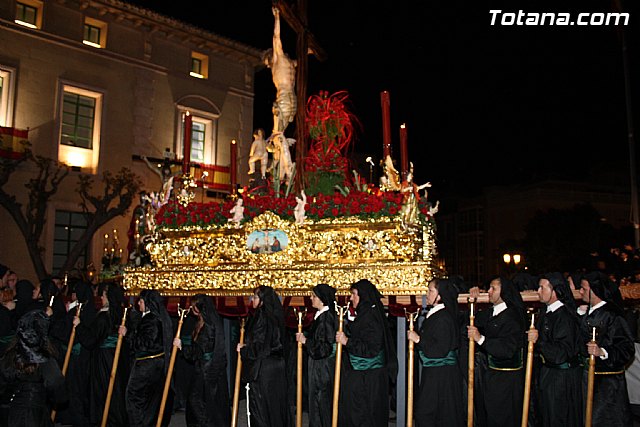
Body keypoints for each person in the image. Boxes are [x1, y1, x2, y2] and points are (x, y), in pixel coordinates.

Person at [336, 279, 398, 427]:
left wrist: (347, 342)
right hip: (363, 375)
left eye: (354, 294)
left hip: (369, 378)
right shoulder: (365, 313)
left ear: (363, 296)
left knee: (366, 417)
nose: (351, 298)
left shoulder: (371, 316)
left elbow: (372, 348)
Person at [467, 276, 526, 427]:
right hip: (492, 376)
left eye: (493, 288)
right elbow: (472, 320)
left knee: (503, 417)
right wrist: (472, 301)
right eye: (489, 288)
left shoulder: (512, 317)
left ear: (504, 292)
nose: (489, 291)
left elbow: (507, 349)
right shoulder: (492, 312)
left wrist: (481, 339)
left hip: (507, 379)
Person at [578, 271, 634, 426]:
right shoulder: (588, 312)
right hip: (588, 381)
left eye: (583, 288)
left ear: (595, 290)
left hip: (606, 387)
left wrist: (602, 352)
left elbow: (627, 348)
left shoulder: (612, 315)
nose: (580, 291)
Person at [527, 272, 582, 427]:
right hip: (549, 374)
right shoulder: (547, 313)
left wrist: (539, 342)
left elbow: (561, 352)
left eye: (542, 287)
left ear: (556, 291)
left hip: (561, 379)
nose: (538, 291)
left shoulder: (564, 316)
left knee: (559, 417)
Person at [407, 278, 464, 427]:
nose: (427, 294)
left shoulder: (444, 317)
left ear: (440, 295)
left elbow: (440, 349)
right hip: (435, 372)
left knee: (435, 414)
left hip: (442, 375)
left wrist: (418, 340)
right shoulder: (436, 314)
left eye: (431, 291)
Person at [73, 283, 129, 426]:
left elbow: (91, 339)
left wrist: (79, 325)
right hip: (115, 357)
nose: (101, 298)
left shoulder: (104, 317)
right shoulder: (119, 314)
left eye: (103, 296)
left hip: (104, 360)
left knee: (103, 392)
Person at [0, 310, 68, 427]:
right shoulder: (45, 359)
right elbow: (57, 388)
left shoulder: (11, 354)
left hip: (12, 413)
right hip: (34, 414)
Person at [237, 285, 290, 427]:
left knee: (261, 410)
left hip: (264, 368)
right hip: (277, 366)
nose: (252, 299)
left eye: (254, 297)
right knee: (274, 408)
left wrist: (244, 349)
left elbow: (260, 347)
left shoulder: (261, 316)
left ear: (262, 300)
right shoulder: (275, 315)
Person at [174, 294, 230, 426]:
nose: (191, 308)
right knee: (197, 403)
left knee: (200, 404)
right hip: (201, 368)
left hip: (207, 371)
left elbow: (200, 351)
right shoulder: (200, 322)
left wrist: (182, 347)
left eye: (193, 305)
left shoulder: (209, 325)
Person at [121, 290, 174, 427]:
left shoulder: (151, 320)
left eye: (141, 301)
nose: (138, 303)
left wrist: (128, 334)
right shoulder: (157, 318)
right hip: (156, 365)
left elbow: (145, 344)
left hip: (147, 366)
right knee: (151, 401)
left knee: (134, 398)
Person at [295, 284, 337, 427]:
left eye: (314, 296)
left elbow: (324, 348)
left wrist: (305, 341)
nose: (311, 298)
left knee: (321, 404)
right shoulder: (321, 316)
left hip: (322, 368)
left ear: (322, 299)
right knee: (317, 404)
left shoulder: (326, 318)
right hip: (319, 366)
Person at [265, 7, 297, 135]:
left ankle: (278, 149)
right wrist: (277, 17)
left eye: (267, 63)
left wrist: (307, 52)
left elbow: (299, 62)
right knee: (279, 132)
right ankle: (274, 147)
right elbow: (276, 36)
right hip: (283, 96)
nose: (268, 67)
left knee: (285, 130)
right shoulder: (278, 61)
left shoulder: (289, 62)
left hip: (292, 97)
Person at [399, 162, 431, 229]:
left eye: (411, 176)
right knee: (407, 210)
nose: (411, 177)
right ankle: (406, 223)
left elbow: (418, 188)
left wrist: (425, 185)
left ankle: (411, 222)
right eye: (410, 176)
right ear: (407, 176)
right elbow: (402, 191)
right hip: (407, 200)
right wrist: (408, 188)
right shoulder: (404, 183)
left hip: (413, 199)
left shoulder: (412, 184)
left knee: (413, 210)